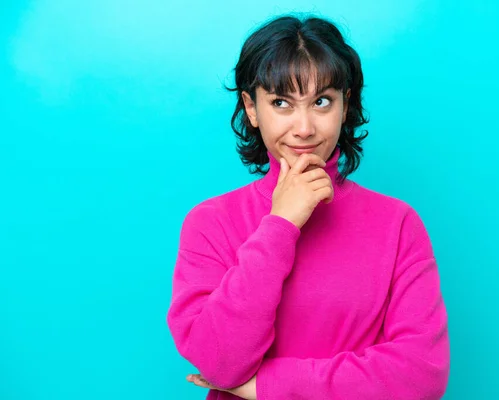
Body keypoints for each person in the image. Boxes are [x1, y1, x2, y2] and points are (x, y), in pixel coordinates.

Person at [166, 14, 450, 400]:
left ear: (345, 105)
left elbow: (420, 376)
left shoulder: (397, 224)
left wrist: (264, 385)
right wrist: (280, 223)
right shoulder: (210, 224)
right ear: (251, 108)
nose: (304, 128)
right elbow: (220, 363)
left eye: (321, 101)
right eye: (281, 102)